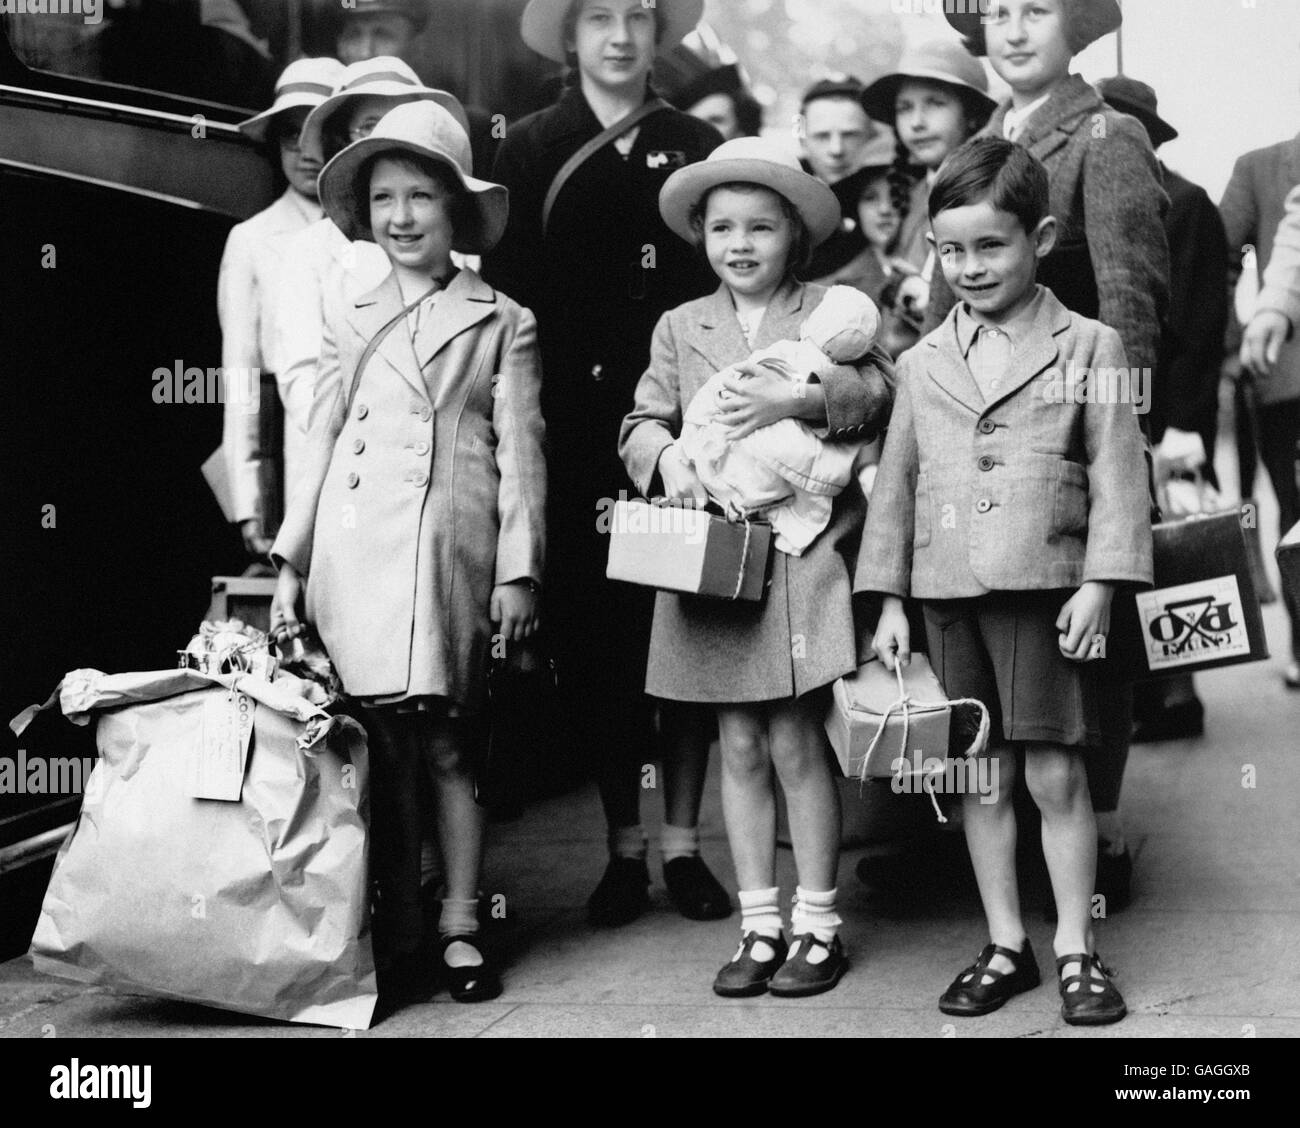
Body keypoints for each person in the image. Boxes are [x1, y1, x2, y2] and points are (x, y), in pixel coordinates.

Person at [859, 137, 1152, 1025]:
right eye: (951, 249)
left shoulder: (1091, 344)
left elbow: (1118, 476)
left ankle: (1074, 946)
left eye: (991, 245)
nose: (969, 266)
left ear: (1043, 237)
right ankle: (1004, 942)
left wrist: (1101, 584)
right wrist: (887, 603)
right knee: (976, 778)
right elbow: (896, 487)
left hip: (1047, 590)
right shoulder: (917, 361)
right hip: (946, 596)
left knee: (1057, 778)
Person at [269, 99, 546, 1005]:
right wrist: (291, 563)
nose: (400, 216)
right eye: (384, 196)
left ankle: (463, 924)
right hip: (356, 556)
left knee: (453, 746)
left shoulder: (503, 319)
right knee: (376, 750)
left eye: (421, 195)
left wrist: (518, 570)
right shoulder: (347, 311)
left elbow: (521, 455)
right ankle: (395, 929)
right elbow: (316, 436)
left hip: (450, 557)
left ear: (456, 209)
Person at [621, 138, 895, 998]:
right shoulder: (680, 325)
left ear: (795, 237)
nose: (740, 245)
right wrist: (662, 456)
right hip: (718, 555)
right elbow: (640, 417)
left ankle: (819, 923)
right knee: (736, 741)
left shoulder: (831, 311)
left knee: (793, 738)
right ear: (701, 235)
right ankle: (759, 924)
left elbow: (885, 392)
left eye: (762, 227)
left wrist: (805, 399)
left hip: (805, 553)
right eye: (722, 228)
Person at [482, 0, 731, 928]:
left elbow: (724, 279)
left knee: (689, 628)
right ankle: (623, 848)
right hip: (580, 428)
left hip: (686, 430)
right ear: (572, 35)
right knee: (597, 643)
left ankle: (684, 846)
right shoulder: (534, 145)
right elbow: (512, 299)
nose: (621, 34)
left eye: (637, 15)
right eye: (599, 17)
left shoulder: (695, 139)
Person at [934, 0, 1170, 909]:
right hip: (979, 437)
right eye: (995, 13)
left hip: (1071, 435)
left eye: (1036, 8)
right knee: (989, 682)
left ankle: (1084, 853)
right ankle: (1011, 866)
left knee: (1080, 663)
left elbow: (1130, 295)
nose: (1014, 29)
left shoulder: (1107, 133)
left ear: (1077, 25)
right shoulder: (986, 136)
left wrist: (1121, 442)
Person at [270, 57, 468, 520]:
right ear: (344, 143)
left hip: (440, 487)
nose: (392, 139)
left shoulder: (461, 251)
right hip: (346, 479)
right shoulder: (310, 251)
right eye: (371, 126)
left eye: (406, 121)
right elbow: (302, 379)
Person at [1098, 75, 1231, 733]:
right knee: (1129, 547)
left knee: (1174, 544)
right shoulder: (1104, 205)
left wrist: (1182, 425)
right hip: (1118, 398)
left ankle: (1177, 692)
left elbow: (1202, 328)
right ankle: (1144, 692)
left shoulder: (1186, 204)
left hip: (1174, 404)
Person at [218, 57, 345, 559]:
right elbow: (243, 377)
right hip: (294, 452)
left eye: (320, 134)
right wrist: (250, 499)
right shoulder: (253, 240)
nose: (308, 153)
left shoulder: (385, 230)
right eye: (291, 136)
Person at [1221, 131, 1300, 691]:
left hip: (1278, 372)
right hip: (1284, 373)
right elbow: (1218, 255)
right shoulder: (1260, 167)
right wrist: (1234, 343)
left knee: (1294, 511)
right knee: (1294, 511)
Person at [860, 38, 996, 277]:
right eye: (904, 108)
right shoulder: (913, 196)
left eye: (935, 103)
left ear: (972, 113)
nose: (916, 123)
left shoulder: (991, 191)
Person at [798, 74, 880, 283]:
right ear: (802, 141)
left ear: (872, 137)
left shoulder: (896, 195)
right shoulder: (784, 200)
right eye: (822, 136)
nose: (836, 150)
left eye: (850, 135)